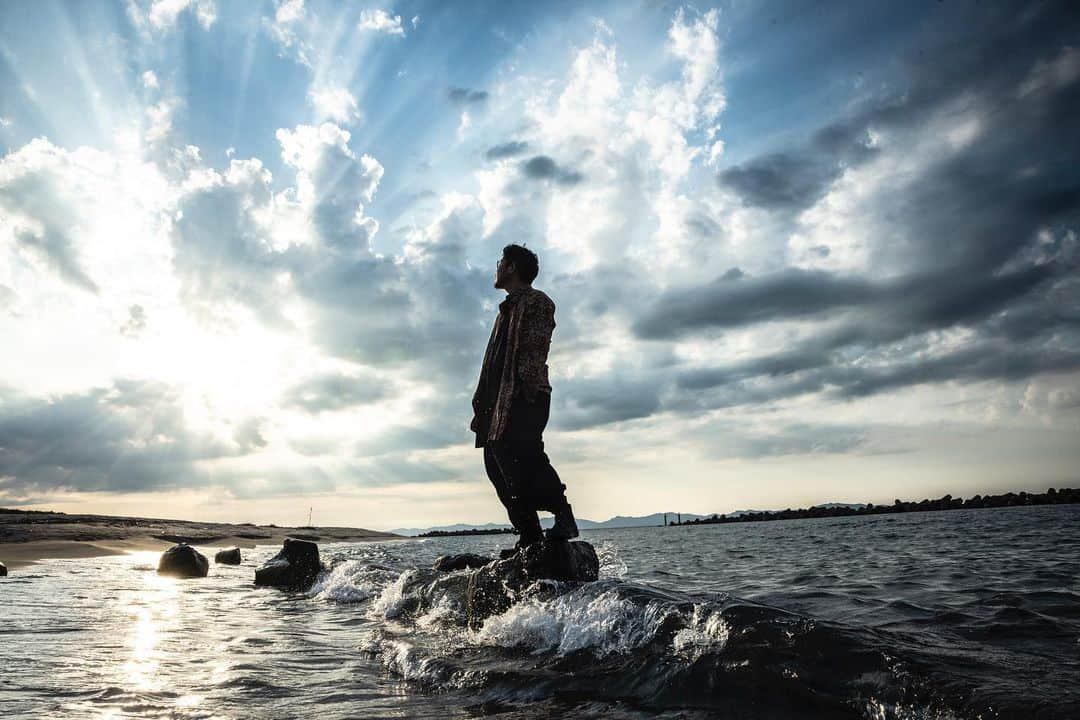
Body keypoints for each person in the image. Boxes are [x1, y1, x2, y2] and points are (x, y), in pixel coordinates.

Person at [470, 244, 578, 554]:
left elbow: (534, 350)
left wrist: (527, 392)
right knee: (497, 466)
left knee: (528, 457)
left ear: (512, 267)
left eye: (500, 262)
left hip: (523, 397)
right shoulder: (505, 310)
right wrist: (482, 407)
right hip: (497, 406)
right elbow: (493, 362)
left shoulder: (537, 302)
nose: (497, 267)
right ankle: (530, 534)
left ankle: (563, 516)